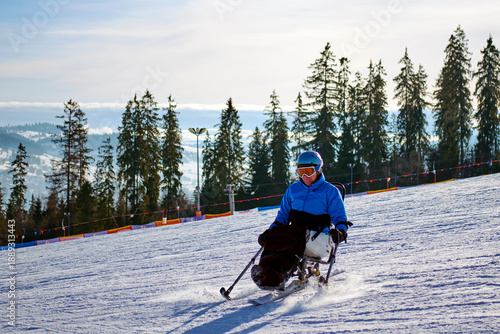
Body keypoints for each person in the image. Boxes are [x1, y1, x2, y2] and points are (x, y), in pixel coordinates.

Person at [251, 151, 352, 290]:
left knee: (297, 235)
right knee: (277, 236)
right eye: (301, 172)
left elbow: (340, 218)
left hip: (320, 238)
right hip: (296, 235)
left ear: (318, 169)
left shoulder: (330, 192)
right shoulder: (293, 190)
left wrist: (340, 232)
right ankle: (266, 270)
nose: (305, 176)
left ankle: (281, 273)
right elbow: (282, 217)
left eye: (309, 171)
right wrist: (271, 232)